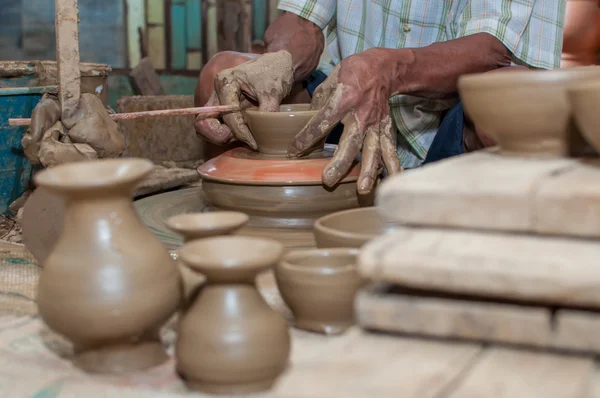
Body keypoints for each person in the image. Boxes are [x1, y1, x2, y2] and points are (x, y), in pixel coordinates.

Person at [194, 0, 564, 195]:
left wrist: (386, 70)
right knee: (223, 73)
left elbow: (490, 49)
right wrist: (280, 59)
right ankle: (235, 237)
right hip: (346, 107)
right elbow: (302, 22)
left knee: (513, 107)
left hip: (452, 131)